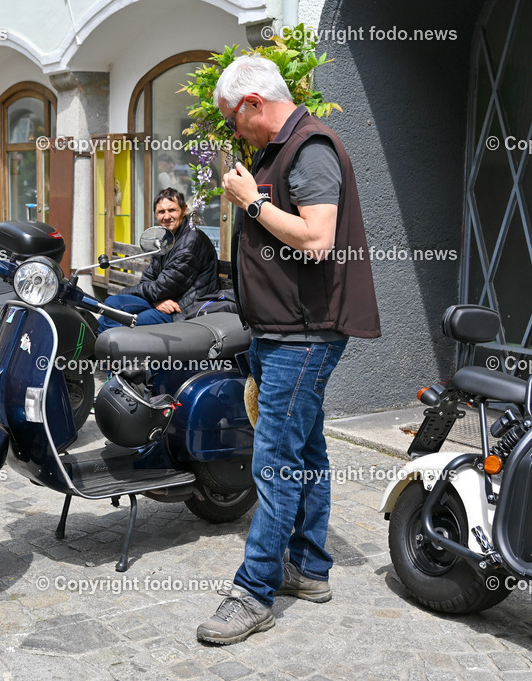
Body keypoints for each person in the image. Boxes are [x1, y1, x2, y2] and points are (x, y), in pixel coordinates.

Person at [196, 55, 381, 645]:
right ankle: (310, 567)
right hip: (279, 332)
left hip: (304, 337)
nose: (233, 132)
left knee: (274, 458)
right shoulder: (277, 151)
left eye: (232, 119)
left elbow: (319, 239)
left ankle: (253, 591)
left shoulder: (311, 147)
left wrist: (251, 203)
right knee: (305, 450)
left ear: (253, 103)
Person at [97, 187, 219, 332]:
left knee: (119, 324)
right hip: (164, 302)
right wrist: (157, 301)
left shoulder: (191, 242)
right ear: (155, 214)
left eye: (172, 210)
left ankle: (100, 351)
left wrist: (128, 291)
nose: (166, 216)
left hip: (183, 310)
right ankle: (101, 349)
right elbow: (148, 278)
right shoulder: (166, 238)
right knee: (111, 304)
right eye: (161, 212)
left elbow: (161, 288)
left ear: (184, 209)